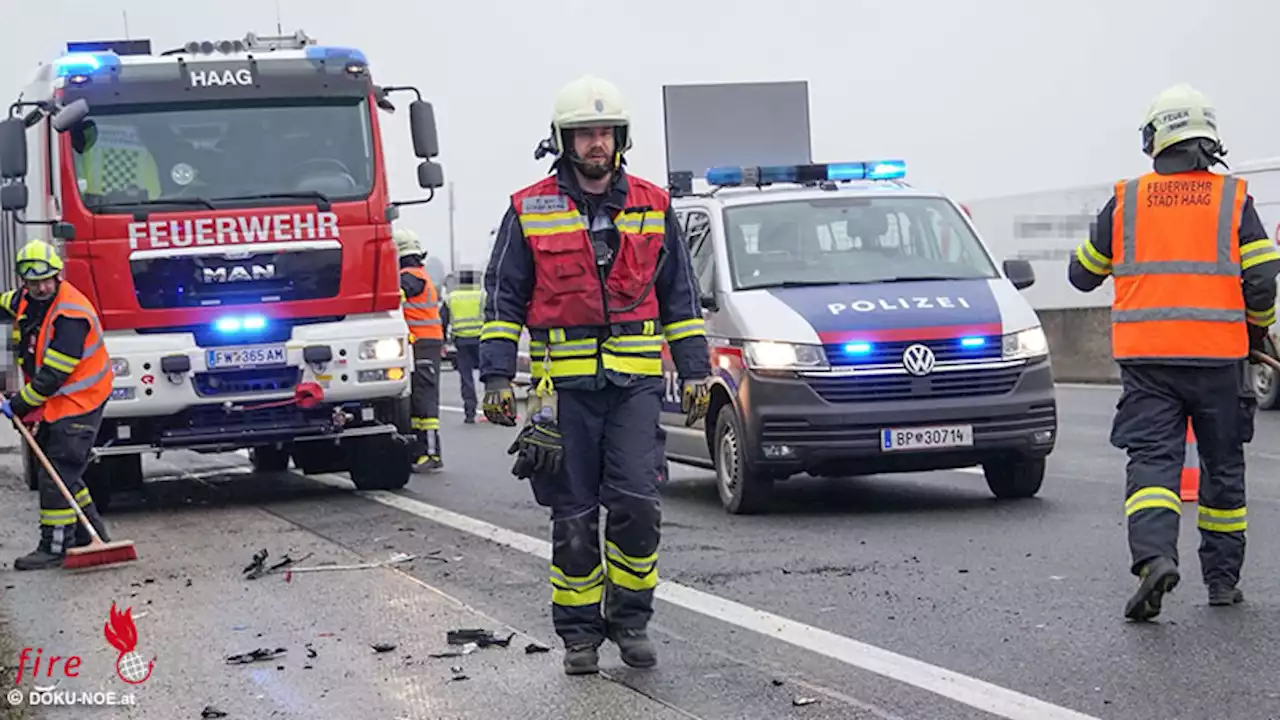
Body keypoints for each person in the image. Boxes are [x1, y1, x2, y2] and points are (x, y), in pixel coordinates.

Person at [479, 74, 711, 674]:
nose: (596, 144)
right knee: (574, 518)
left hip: (634, 388)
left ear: (621, 138)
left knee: (637, 508)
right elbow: (504, 297)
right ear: (564, 140)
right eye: (585, 133)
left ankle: (630, 621)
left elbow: (680, 298)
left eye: (605, 132)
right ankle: (579, 636)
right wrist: (498, 378)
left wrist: (695, 372)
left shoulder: (654, 205)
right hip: (566, 394)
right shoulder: (528, 208)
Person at [1068, 83, 1280, 620]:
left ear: (1157, 138)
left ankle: (1155, 560)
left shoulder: (1127, 200)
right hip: (1219, 360)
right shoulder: (1235, 200)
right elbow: (1261, 280)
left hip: (1149, 363)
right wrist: (1257, 334)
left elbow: (1081, 276)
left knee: (1154, 466)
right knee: (1223, 469)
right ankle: (1222, 584)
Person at [0, 239, 115, 570]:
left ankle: (53, 546)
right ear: (24, 281)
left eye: (45, 280)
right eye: (32, 282)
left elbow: (52, 376)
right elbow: (6, 304)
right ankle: (92, 534)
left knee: (57, 473)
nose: (39, 287)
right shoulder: (26, 299)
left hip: (81, 400)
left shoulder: (70, 315)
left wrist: (19, 404)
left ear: (58, 276)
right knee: (64, 470)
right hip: (60, 402)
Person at [394, 228, 445, 471]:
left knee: (425, 399)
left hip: (423, 343)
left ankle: (431, 453)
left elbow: (394, 298)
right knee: (416, 399)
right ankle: (419, 451)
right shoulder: (418, 274)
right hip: (422, 343)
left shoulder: (410, 277)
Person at [445, 269, 484, 422]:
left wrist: (443, 341)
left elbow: (443, 320)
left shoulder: (452, 298)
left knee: (466, 378)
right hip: (481, 340)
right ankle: (493, 409)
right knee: (489, 375)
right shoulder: (482, 296)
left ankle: (470, 412)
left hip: (461, 341)